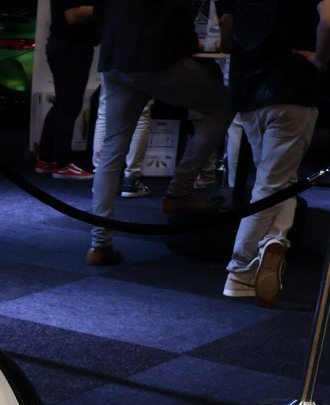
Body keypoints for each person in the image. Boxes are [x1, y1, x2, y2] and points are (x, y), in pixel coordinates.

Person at [87, 0, 235, 265]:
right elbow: (182, 30)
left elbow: (100, 15)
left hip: (115, 60)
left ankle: (99, 244)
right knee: (223, 107)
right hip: (155, 62)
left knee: (112, 149)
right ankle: (179, 191)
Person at [223, 0, 330, 305]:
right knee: (271, 184)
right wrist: (320, 59)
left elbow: (228, 23)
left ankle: (273, 241)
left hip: (247, 89)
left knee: (279, 179)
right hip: (291, 86)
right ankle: (239, 270)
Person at [37, 0, 98, 179]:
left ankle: (46, 158)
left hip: (69, 47)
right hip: (71, 48)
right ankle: (62, 164)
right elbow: (72, 15)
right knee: (69, 105)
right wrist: (107, 7)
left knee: (63, 103)